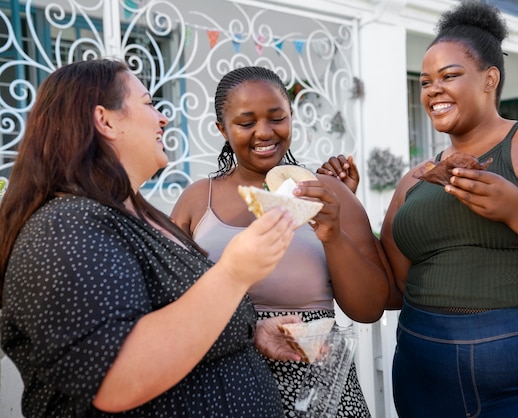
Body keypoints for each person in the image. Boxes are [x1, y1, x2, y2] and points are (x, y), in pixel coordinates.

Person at [318, 1, 518, 417]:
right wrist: (345, 207)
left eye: (449, 76)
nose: (433, 90)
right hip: (427, 382)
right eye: (426, 81)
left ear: (489, 79)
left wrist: (517, 209)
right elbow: (390, 291)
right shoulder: (414, 181)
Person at [0, 59, 302, 417]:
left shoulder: (133, 215)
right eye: (148, 103)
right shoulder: (65, 227)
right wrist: (234, 273)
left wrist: (248, 332)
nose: (163, 118)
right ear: (106, 120)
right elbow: (115, 378)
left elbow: (169, 319)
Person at [170, 66, 390, 417]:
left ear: (291, 117)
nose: (264, 132)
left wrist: (332, 234)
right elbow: (169, 297)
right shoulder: (198, 200)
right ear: (221, 130)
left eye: (277, 118)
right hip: (225, 382)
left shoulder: (328, 193)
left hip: (318, 387)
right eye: (245, 123)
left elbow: (369, 309)